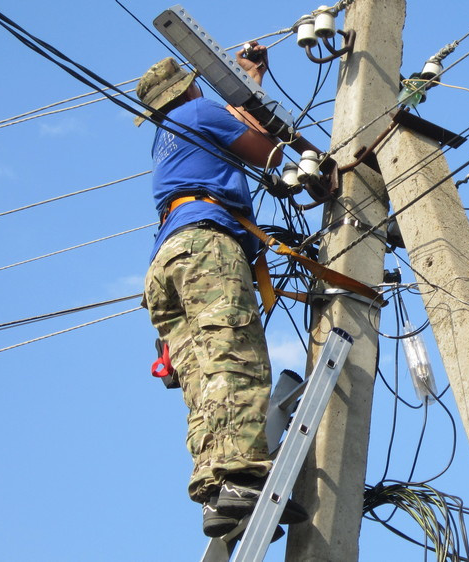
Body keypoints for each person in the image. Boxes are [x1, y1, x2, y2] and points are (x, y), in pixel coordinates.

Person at [137, 43, 305, 538]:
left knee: (202, 376)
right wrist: (252, 89)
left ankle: (217, 491)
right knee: (234, 356)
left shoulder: (165, 136)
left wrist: (249, 82)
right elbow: (268, 150)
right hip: (206, 243)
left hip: (165, 262)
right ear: (186, 87)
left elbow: (237, 133)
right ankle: (239, 480)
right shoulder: (198, 110)